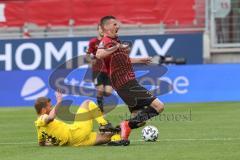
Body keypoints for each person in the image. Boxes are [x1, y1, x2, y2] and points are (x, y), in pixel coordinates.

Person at [96, 16, 165, 145]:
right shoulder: (106, 41)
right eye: (115, 24)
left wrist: (140, 60)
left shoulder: (115, 41)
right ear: (106, 27)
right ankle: (125, 125)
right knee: (159, 106)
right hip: (125, 83)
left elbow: (123, 60)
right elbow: (99, 54)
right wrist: (116, 47)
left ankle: (121, 137)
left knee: (138, 117)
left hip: (126, 82)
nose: (118, 26)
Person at [34, 90, 120, 146]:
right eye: (50, 106)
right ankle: (104, 124)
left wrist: (56, 142)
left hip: (76, 143)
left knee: (112, 135)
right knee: (87, 103)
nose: (52, 108)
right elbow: (51, 118)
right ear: (43, 110)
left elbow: (41, 143)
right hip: (76, 133)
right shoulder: (42, 118)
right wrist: (59, 101)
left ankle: (117, 140)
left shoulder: (39, 128)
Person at [86, 24, 113, 113]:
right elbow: (88, 55)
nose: (102, 31)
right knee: (100, 90)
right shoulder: (93, 42)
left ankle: (100, 97)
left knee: (108, 92)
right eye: (101, 29)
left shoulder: (109, 41)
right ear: (98, 30)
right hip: (97, 71)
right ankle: (101, 110)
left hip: (108, 71)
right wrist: (90, 60)